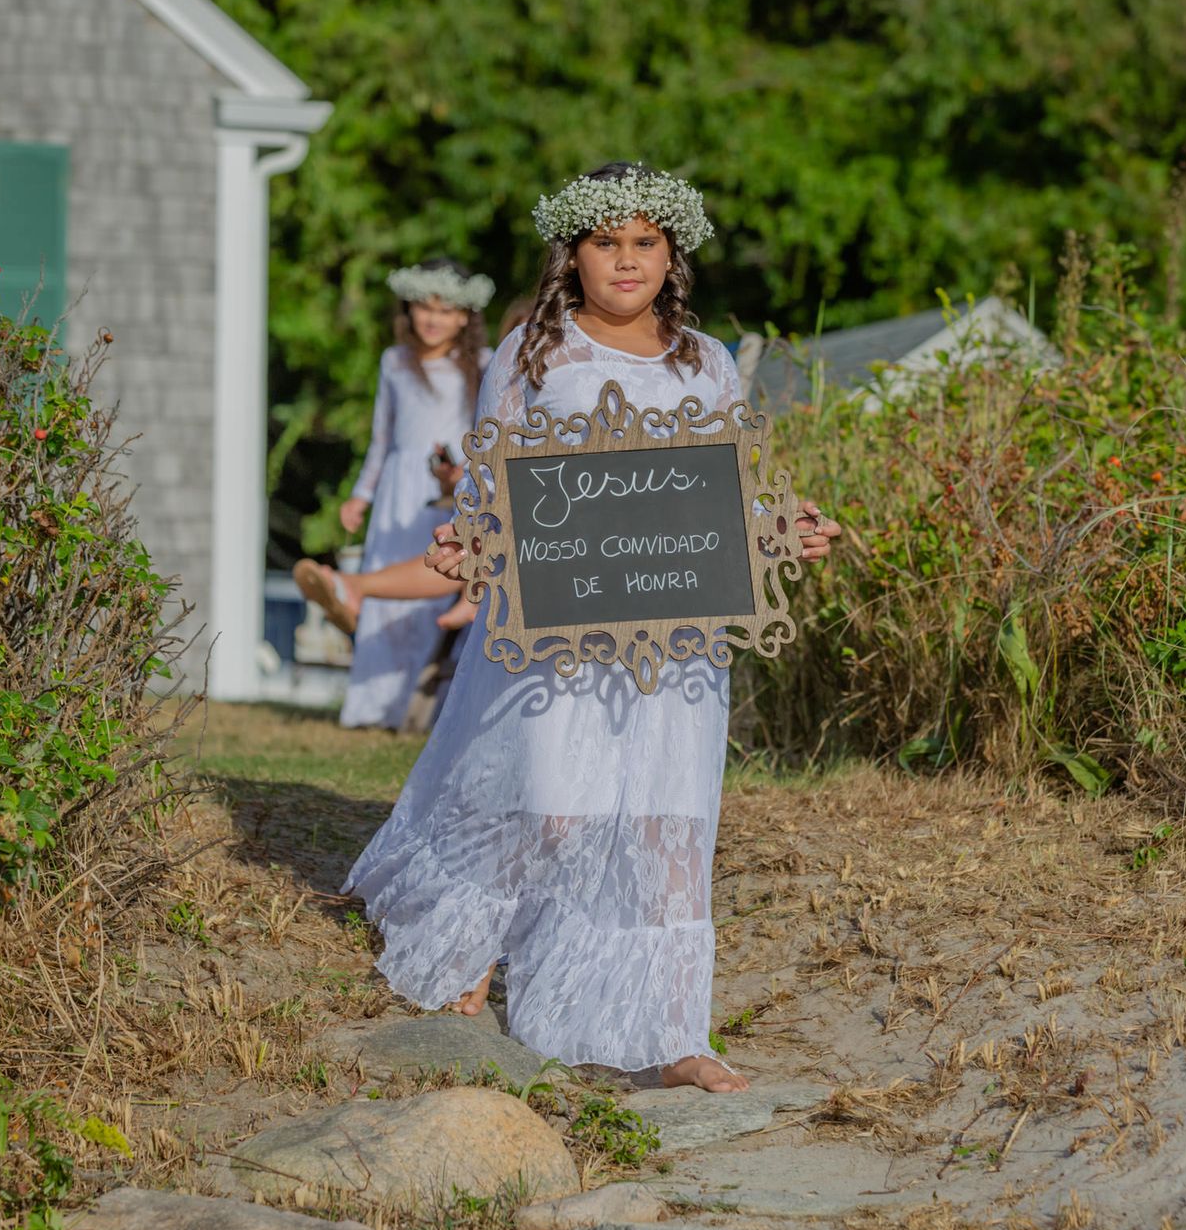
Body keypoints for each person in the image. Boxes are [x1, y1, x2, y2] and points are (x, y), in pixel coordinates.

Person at [341, 163, 841, 1093]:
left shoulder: (707, 361)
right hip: (561, 630)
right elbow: (491, 484)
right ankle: (471, 951)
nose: (625, 261)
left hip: (678, 639)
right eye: (605, 242)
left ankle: (669, 1030)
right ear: (572, 252)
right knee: (556, 800)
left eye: (644, 242)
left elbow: (728, 493)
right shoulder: (535, 352)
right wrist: (469, 543)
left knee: (667, 824)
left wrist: (784, 529)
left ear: (671, 253)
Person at [303, 259, 493, 729]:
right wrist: (360, 497)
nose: (433, 319)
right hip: (397, 487)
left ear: (466, 315)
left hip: (450, 486)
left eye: (446, 310)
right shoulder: (395, 362)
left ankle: (417, 706)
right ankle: (373, 705)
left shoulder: (482, 365)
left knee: (433, 585)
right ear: (408, 309)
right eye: (424, 308)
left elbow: (487, 434)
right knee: (387, 587)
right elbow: (381, 440)